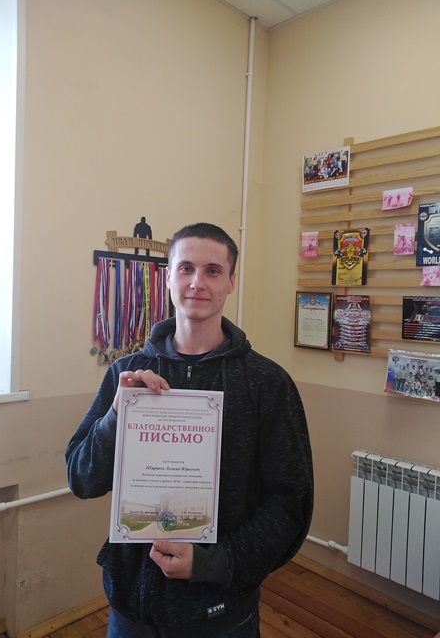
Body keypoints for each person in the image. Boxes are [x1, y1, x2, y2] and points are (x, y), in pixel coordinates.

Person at [66, 222, 313, 638]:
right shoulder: (126, 374)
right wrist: (116, 416)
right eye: (186, 268)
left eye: (213, 270)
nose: (198, 282)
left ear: (230, 282)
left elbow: (290, 505)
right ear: (168, 277)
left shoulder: (268, 384)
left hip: (220, 614)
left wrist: (214, 563)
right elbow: (81, 479)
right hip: (130, 612)